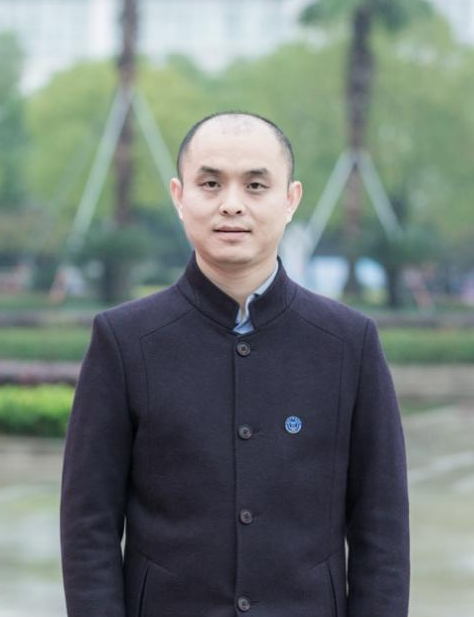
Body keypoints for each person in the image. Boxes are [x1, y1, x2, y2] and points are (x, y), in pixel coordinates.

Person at [60, 111, 410, 617]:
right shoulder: (124, 340)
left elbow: (383, 530)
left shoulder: (348, 343)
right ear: (180, 196)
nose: (231, 204)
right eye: (210, 183)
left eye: (255, 185)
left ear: (290, 200)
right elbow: (88, 525)